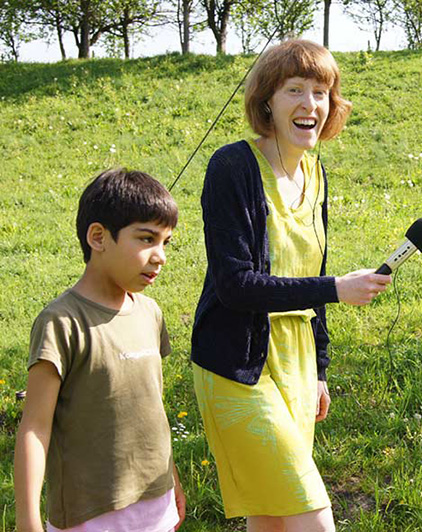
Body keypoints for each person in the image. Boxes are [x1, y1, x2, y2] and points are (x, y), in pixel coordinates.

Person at [191, 39, 391, 532]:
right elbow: (236, 284)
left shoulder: (316, 173)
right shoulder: (232, 167)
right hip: (239, 368)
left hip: (297, 363)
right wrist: (334, 288)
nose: (311, 105)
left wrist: (320, 368)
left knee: (272, 520)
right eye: (294, 90)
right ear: (267, 101)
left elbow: (310, 271)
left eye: (321, 92)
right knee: (314, 517)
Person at [14, 169, 185, 532]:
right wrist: (27, 521)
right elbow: (34, 428)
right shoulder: (61, 322)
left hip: (156, 505)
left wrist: (172, 481)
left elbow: (151, 410)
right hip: (90, 516)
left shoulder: (150, 313)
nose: (160, 256)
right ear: (98, 237)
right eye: (146, 238)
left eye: (165, 242)